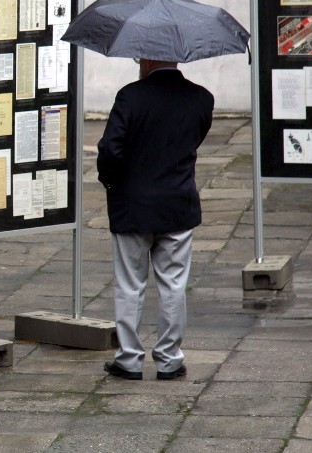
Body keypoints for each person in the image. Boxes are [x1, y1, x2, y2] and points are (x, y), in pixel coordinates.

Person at [97, 58, 214, 381]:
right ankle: (169, 359)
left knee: (130, 285)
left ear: (148, 58)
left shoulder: (130, 96)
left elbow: (110, 149)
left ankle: (130, 359)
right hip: (177, 204)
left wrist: (111, 181)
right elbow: (193, 140)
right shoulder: (202, 98)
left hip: (132, 205)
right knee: (174, 284)